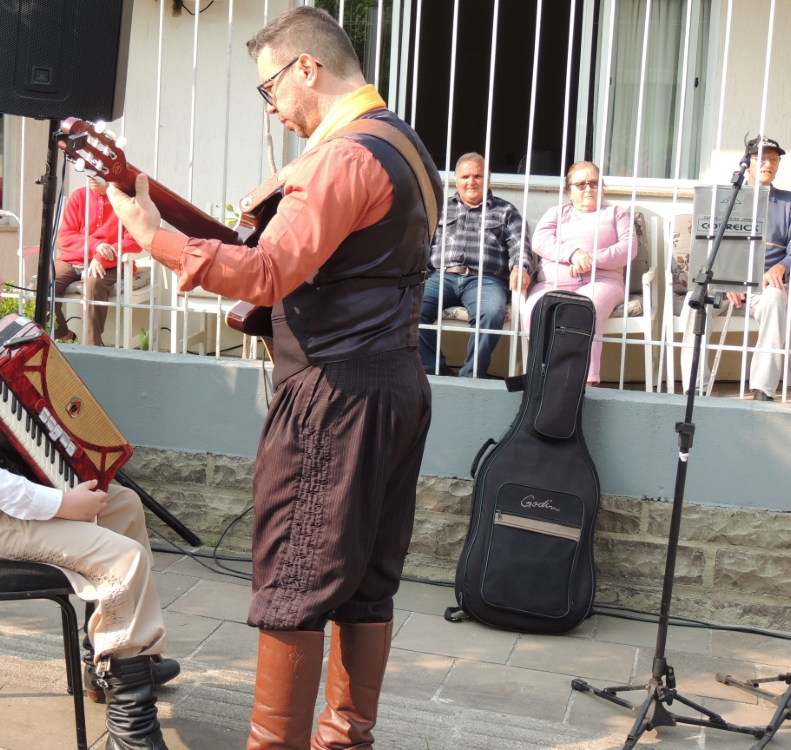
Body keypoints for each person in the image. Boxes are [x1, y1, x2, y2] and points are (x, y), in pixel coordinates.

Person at [108, 8, 441, 749]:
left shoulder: (341, 159)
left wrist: (153, 237)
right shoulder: (406, 145)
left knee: (295, 577)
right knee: (367, 580)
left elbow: (266, 272)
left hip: (333, 396)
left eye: (270, 89)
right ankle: (344, 740)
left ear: (307, 69)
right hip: (395, 384)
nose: (272, 108)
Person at [0, 217, 171, 750]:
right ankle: (131, 726)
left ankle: (116, 657)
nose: (1, 281)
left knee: (120, 504)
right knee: (123, 560)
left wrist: (66, 497)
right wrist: (61, 503)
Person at [680, 136, 791, 400]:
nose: (768, 164)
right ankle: (696, 387)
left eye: (773, 159)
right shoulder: (725, 198)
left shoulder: (788, 202)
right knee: (694, 303)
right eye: (761, 158)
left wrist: (782, 266)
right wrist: (726, 279)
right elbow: (708, 245)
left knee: (776, 301)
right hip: (724, 282)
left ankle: (763, 388)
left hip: (765, 284)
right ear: (747, 162)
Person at [523, 161, 637, 385]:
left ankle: (585, 381)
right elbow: (540, 241)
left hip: (602, 282)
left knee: (584, 307)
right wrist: (573, 254)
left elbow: (628, 248)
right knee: (535, 308)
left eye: (594, 183)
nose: (588, 188)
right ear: (569, 190)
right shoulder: (557, 213)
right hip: (552, 283)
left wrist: (590, 260)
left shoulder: (616, 214)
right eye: (581, 184)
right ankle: (542, 375)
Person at [419, 152, 532, 377]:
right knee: (412, 308)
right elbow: (419, 242)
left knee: (491, 313)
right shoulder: (439, 208)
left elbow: (519, 244)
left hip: (486, 280)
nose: (471, 182)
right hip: (441, 276)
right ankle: (435, 371)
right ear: (456, 179)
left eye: (478, 176)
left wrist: (520, 266)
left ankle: (471, 377)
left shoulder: (506, 211)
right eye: (465, 176)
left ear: (487, 178)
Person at [54, 178, 143, 346]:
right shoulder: (79, 196)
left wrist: (100, 257)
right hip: (74, 258)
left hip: (112, 263)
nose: (92, 177)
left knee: (92, 283)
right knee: (44, 282)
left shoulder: (126, 200)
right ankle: (63, 335)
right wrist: (96, 246)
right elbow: (65, 236)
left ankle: (91, 347)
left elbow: (134, 241)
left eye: (98, 172)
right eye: (89, 172)